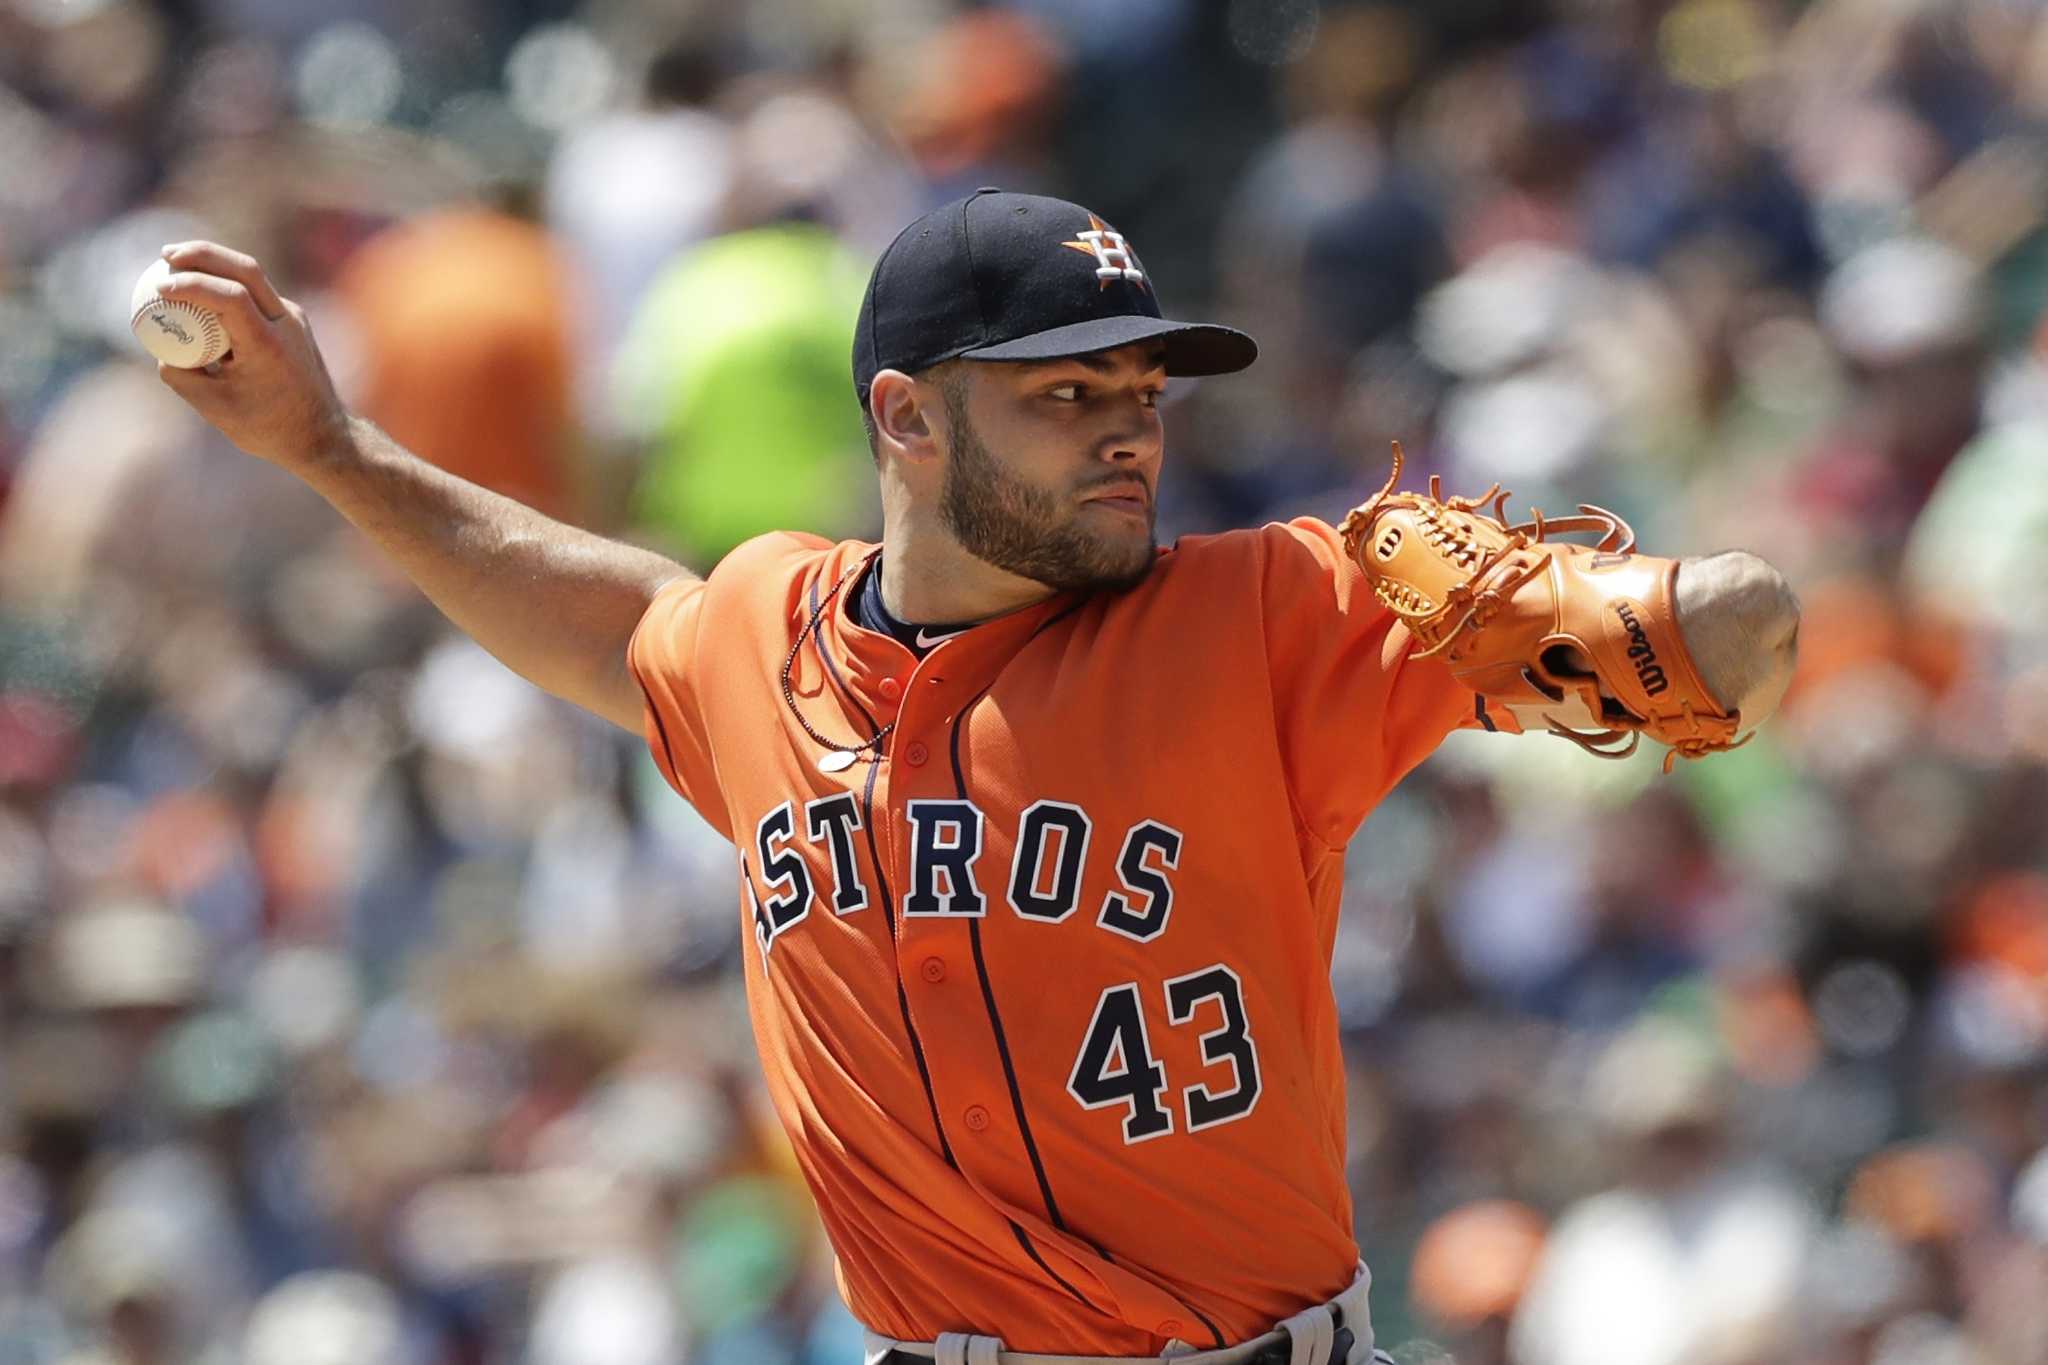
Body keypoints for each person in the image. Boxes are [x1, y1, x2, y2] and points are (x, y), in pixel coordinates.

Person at [150, 188, 1799, 1365]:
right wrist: (330, 451)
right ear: (907, 420)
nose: (1127, 432)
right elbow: (616, 625)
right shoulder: (759, 635)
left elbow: (1740, 635)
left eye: (1141, 393)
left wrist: (1649, 609)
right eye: (1066, 391)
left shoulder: (1273, 614)